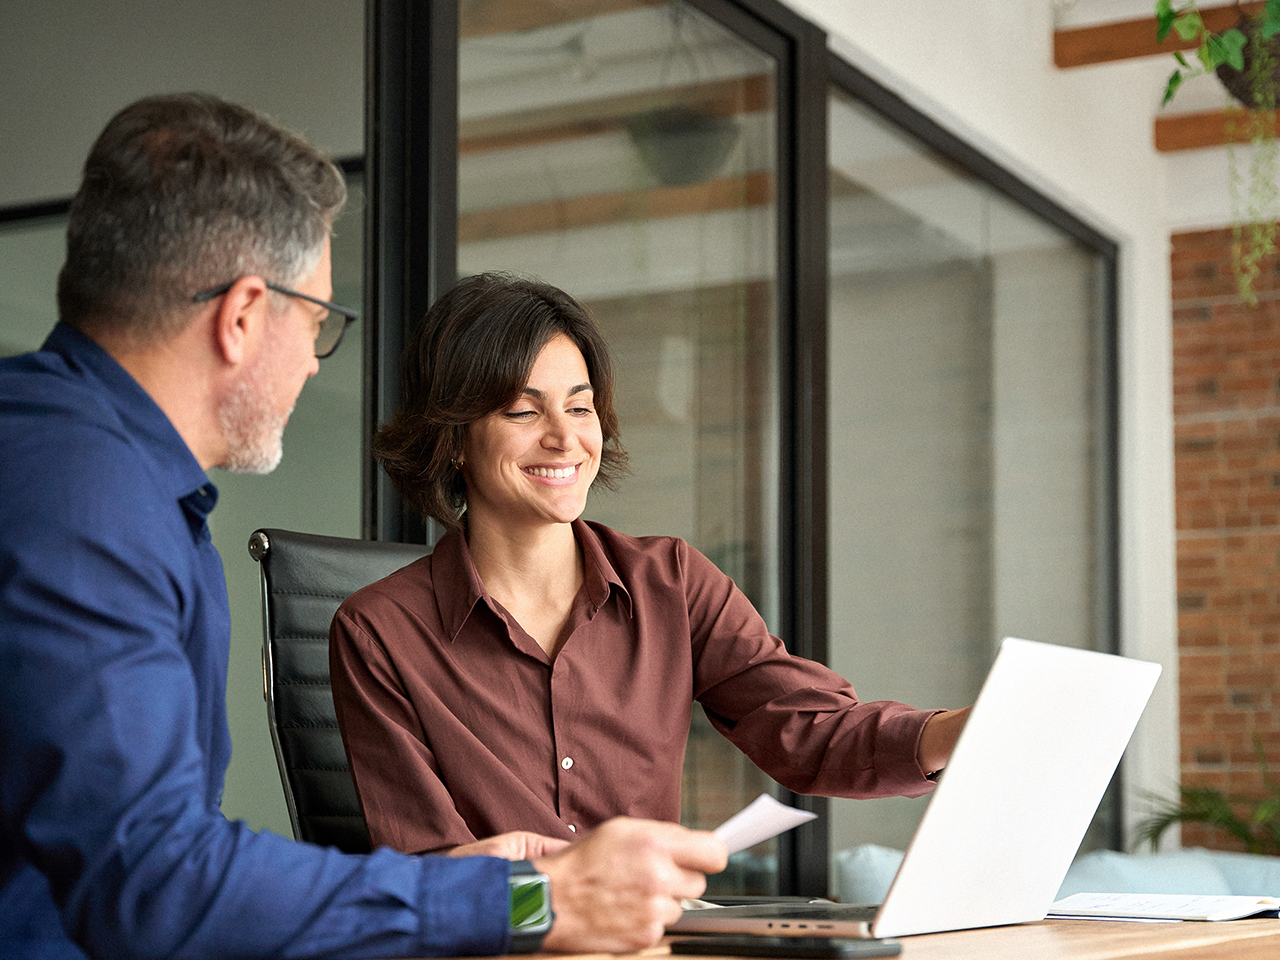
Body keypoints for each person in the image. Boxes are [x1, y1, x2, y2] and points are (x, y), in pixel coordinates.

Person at [0, 93, 727, 960]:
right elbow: (154, 882)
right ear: (241, 317)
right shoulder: (85, 498)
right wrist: (524, 900)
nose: (314, 359)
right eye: (318, 321)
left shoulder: (92, 471)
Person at [329, 271, 972, 857]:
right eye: (523, 411)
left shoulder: (672, 582)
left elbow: (809, 731)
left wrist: (962, 731)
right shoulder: (379, 631)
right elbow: (425, 867)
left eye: (579, 408)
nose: (564, 437)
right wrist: (562, 894)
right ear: (454, 440)